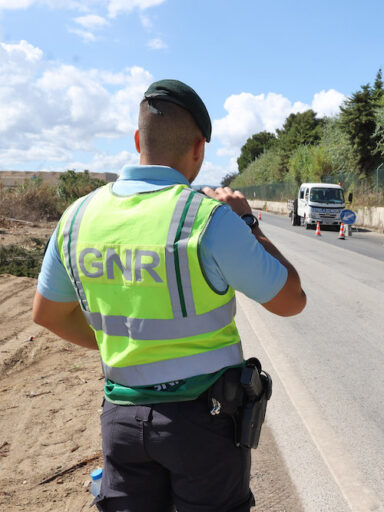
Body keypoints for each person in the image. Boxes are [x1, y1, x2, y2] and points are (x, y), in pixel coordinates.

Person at [32, 79, 307, 511]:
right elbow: (292, 300)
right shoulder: (207, 219)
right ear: (198, 148)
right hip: (204, 425)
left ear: (138, 139)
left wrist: (121, 346)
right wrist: (250, 223)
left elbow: (47, 314)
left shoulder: (77, 216)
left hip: (121, 422)